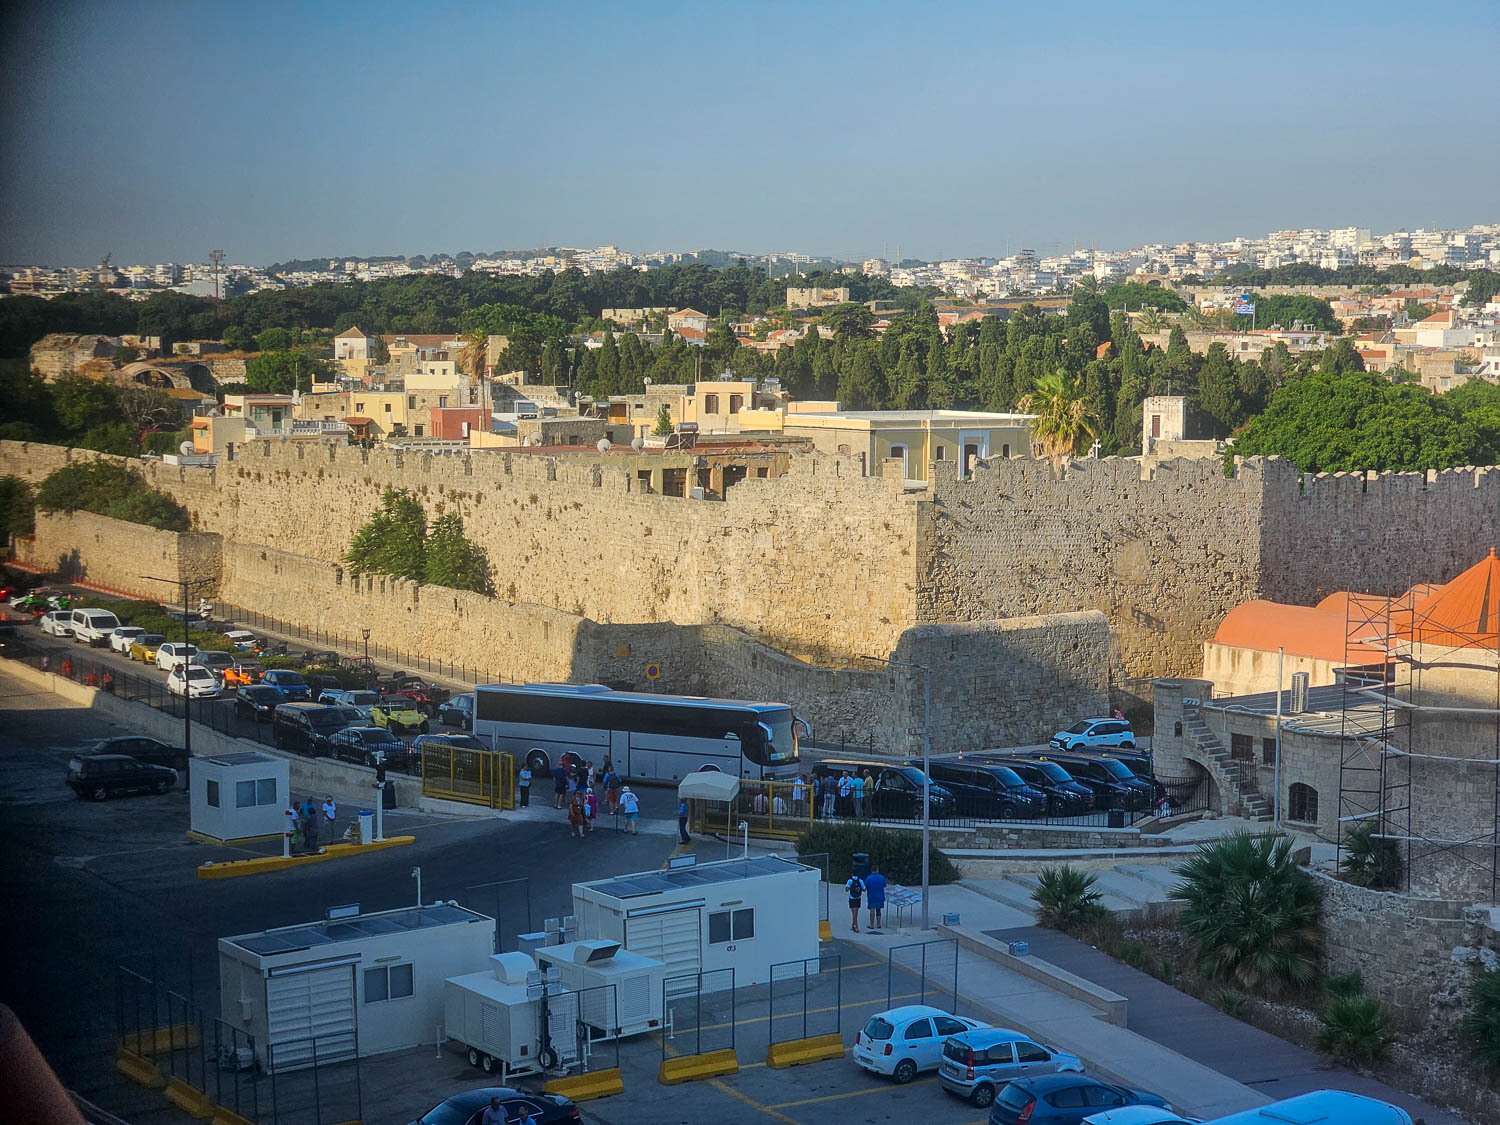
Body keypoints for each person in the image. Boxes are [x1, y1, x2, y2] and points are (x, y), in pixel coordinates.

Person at [864, 863, 887, 931]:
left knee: (872, 909)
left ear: (871, 870)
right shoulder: (882, 877)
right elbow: (884, 885)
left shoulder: (868, 878)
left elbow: (865, 887)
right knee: (878, 910)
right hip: (880, 896)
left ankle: (871, 925)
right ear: (877, 870)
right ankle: (878, 924)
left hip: (871, 896)